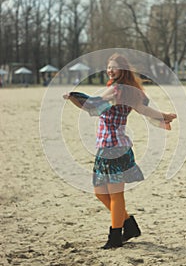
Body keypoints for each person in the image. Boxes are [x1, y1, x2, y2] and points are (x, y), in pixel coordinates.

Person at [63, 53, 177, 249]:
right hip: (108, 148)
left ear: (122, 70)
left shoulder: (117, 91)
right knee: (100, 193)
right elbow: (144, 110)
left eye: (113, 67)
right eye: (108, 67)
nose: (110, 70)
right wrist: (163, 116)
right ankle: (129, 225)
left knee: (115, 195)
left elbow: (93, 104)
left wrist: (74, 96)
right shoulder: (129, 91)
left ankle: (115, 237)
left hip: (114, 149)